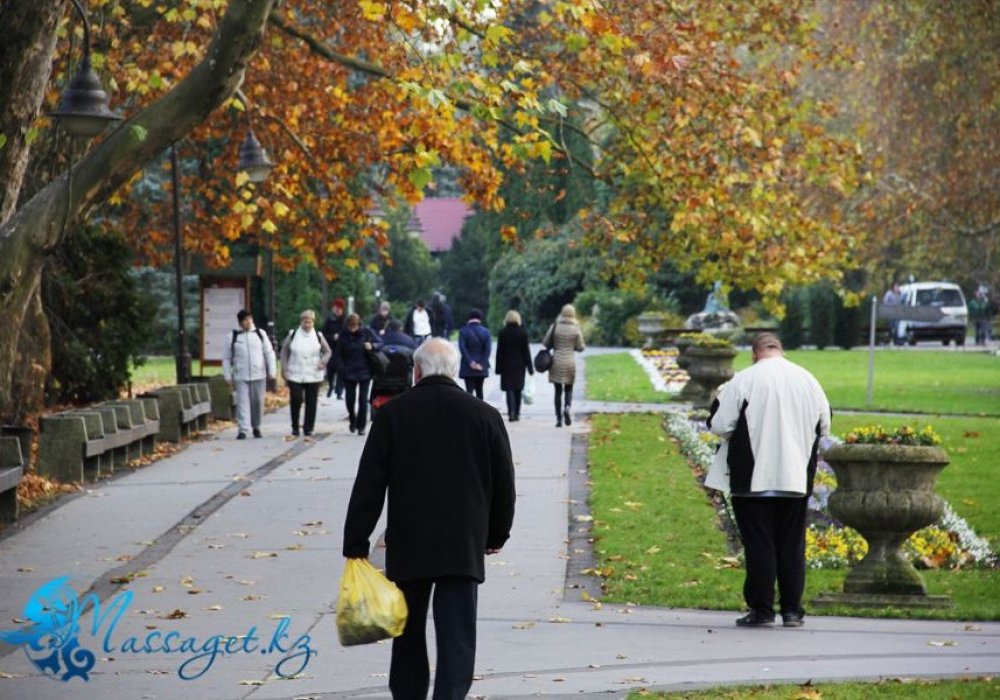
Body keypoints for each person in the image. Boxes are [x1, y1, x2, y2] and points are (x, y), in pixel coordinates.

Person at [342, 338, 516, 700]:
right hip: (462, 543)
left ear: (417, 371)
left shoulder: (393, 414)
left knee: (407, 636)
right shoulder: (485, 416)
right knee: (457, 639)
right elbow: (504, 485)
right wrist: (496, 535)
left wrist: (356, 542)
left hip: (411, 542)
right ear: (454, 370)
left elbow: (369, 483)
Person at [705, 332, 830, 628]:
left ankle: (761, 609)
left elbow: (720, 424)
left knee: (759, 542)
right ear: (781, 350)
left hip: (753, 476)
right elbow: (824, 425)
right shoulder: (808, 380)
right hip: (795, 475)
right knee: (791, 542)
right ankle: (791, 610)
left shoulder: (744, 380)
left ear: (754, 353)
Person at [222, 309, 277, 440]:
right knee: (242, 402)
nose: (248, 322)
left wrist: (272, 371)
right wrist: (227, 375)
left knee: (257, 402)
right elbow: (226, 358)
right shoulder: (232, 336)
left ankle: (256, 426)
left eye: (250, 319)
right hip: (241, 375)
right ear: (240, 323)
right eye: (245, 320)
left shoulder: (260, 334)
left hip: (259, 374)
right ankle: (243, 429)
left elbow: (269, 353)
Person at [280, 310, 332, 437]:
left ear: (313, 323)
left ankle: (309, 428)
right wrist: (285, 369)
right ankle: (295, 427)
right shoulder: (293, 335)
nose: (307, 325)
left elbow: (328, 352)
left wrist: (323, 362)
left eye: (310, 322)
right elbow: (284, 352)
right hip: (295, 373)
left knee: (311, 402)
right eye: (305, 322)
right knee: (296, 400)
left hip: (313, 374)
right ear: (301, 322)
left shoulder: (318, 336)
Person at [333, 313, 383, 436]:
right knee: (350, 399)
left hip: (364, 371)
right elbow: (338, 354)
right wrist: (341, 368)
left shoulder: (366, 332)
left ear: (359, 324)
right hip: (348, 371)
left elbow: (381, 343)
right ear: (347, 325)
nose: (353, 329)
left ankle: (361, 426)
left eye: (355, 326)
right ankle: (352, 418)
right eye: (351, 327)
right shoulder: (343, 335)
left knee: (362, 399)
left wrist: (372, 345)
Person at [542, 304, 585, 428]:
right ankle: (567, 407)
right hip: (570, 362)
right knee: (568, 388)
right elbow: (581, 347)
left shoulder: (555, 326)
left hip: (556, 361)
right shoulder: (576, 328)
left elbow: (546, 343)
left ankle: (558, 419)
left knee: (557, 390)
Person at [495, 309, 534, 422]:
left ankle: (511, 412)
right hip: (520, 365)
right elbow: (526, 351)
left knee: (509, 389)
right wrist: (530, 368)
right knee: (518, 389)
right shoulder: (523, 333)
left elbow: (499, 352)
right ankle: (517, 413)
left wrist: (498, 368)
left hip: (506, 365)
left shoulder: (503, 333)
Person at [458, 309, 491, 399]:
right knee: (480, 390)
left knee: (469, 391)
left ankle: (469, 411)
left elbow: (463, 348)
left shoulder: (463, 331)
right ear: (480, 319)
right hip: (481, 367)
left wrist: (471, 363)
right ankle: (480, 411)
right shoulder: (486, 332)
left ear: (469, 318)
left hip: (467, 366)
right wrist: (481, 364)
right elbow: (487, 350)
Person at [321, 298, 346, 399]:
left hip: (342, 349)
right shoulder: (329, 320)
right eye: (336, 308)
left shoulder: (345, 321)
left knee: (341, 371)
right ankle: (331, 385)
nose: (337, 310)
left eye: (339, 309)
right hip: (331, 348)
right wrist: (332, 337)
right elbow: (323, 334)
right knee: (330, 370)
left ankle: (339, 391)